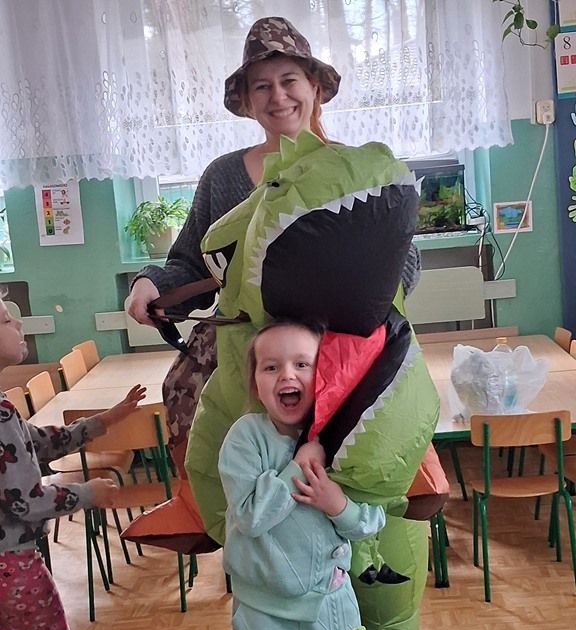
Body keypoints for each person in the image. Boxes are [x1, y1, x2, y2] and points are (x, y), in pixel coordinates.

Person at [125, 15, 421, 553]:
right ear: (247, 101)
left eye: (289, 81)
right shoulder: (223, 177)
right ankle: (218, 521)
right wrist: (151, 284)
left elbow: (404, 257)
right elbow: (192, 260)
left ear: (315, 87)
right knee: (195, 405)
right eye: (261, 86)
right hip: (249, 359)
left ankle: (388, 518)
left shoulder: (348, 167)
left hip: (336, 352)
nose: (277, 96)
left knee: (381, 429)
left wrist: (361, 310)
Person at [219, 319, 385, 630]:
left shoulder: (346, 436)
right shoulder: (245, 437)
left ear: (324, 373)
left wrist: (338, 506)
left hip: (329, 605)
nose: (286, 375)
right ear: (255, 382)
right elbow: (250, 516)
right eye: (271, 367)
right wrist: (301, 463)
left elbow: (373, 517)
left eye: (302, 364)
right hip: (261, 611)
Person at [0, 296, 146, 630]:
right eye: (6, 320)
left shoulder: (4, 412)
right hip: (14, 569)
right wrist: (88, 494)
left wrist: (107, 419)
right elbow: (26, 501)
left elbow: (42, 444)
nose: (18, 325)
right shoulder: (0, 416)